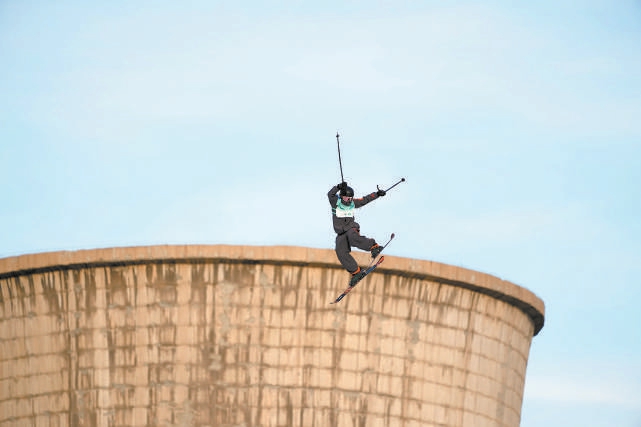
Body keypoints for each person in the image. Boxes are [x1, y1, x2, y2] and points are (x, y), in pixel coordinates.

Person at [328, 182, 386, 286]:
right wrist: (338, 187)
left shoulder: (353, 203)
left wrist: (377, 194)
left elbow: (365, 199)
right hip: (341, 233)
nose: (348, 201)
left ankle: (373, 246)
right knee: (340, 251)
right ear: (341, 197)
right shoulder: (335, 202)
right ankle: (356, 272)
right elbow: (330, 194)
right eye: (346, 198)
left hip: (351, 228)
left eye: (350, 198)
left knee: (353, 237)